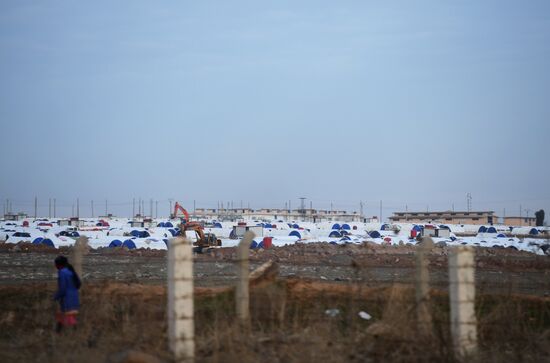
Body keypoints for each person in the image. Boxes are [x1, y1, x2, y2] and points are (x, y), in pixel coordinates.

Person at [53, 255, 81, 333]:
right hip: (74, 297)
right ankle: (59, 332)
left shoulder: (62, 273)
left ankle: (75, 333)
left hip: (67, 299)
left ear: (59, 265)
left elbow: (62, 288)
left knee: (67, 316)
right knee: (66, 316)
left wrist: (55, 297)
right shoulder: (70, 271)